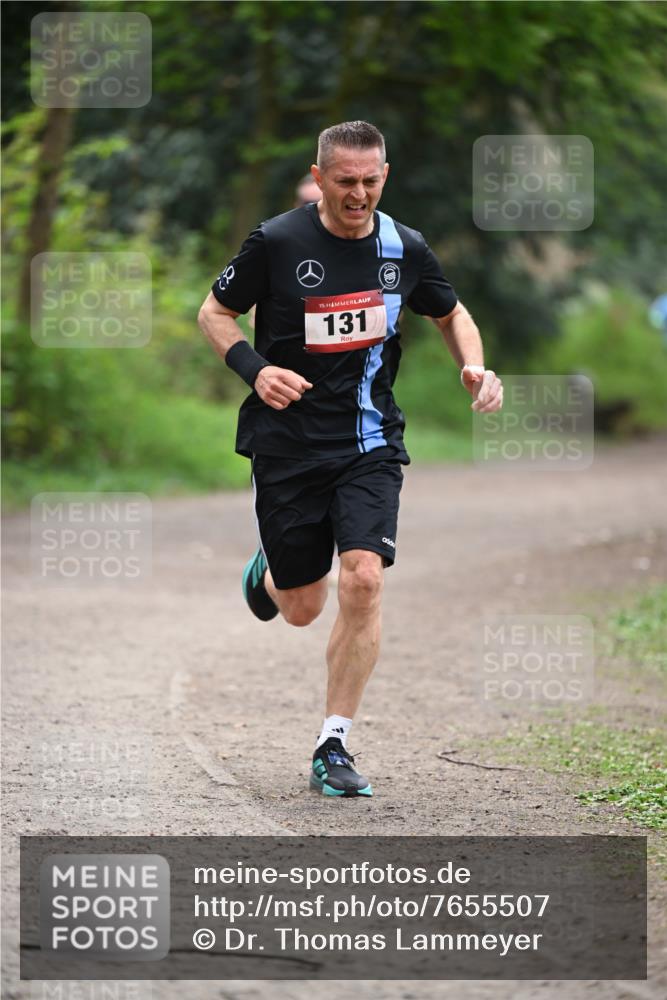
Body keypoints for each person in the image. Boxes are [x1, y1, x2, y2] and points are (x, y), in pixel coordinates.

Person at [198, 120, 503, 798]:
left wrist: (475, 368)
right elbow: (213, 313)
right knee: (303, 607)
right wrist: (255, 368)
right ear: (321, 176)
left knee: (363, 579)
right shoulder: (276, 242)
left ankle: (332, 742)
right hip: (286, 443)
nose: (357, 194)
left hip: (369, 442)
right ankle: (271, 574)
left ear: (383, 176)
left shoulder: (403, 247)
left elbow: (451, 314)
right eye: (344, 182)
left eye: (369, 181)